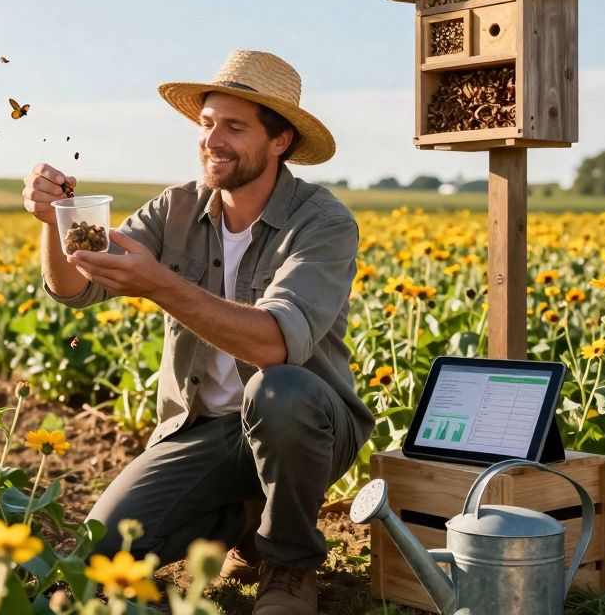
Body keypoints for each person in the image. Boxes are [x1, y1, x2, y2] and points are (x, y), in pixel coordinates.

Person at [22, 50, 376, 614]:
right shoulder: (177, 208)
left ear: (279, 141)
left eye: (235, 127)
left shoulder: (322, 223)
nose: (213, 140)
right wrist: (54, 224)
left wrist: (160, 284)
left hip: (306, 427)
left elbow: (274, 345)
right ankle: (242, 521)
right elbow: (75, 289)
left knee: (279, 390)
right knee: (98, 560)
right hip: (201, 430)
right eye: (207, 123)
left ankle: (288, 566)